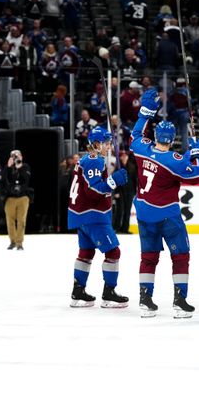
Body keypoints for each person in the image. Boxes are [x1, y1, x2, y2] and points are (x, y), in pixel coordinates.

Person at [131, 89, 199, 318]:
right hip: (167, 216)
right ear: (172, 139)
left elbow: (135, 134)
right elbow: (198, 175)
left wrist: (146, 114)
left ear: (155, 136)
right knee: (181, 255)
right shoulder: (174, 161)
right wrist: (198, 152)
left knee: (149, 257)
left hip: (143, 212)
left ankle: (145, 299)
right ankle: (179, 301)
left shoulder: (141, 148)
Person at [67, 126, 129, 308]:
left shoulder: (87, 160)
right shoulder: (94, 161)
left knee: (86, 252)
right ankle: (109, 293)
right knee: (113, 252)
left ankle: (78, 291)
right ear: (96, 144)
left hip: (82, 215)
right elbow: (94, 190)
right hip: (94, 215)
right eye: (106, 142)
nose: (109, 146)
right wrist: (113, 181)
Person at [4, 149, 32, 250]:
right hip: (10, 198)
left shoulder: (25, 167)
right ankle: (13, 241)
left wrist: (20, 168)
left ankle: (19, 243)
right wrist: (8, 167)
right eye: (14, 156)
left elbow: (27, 180)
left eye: (18, 156)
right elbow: (4, 180)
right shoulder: (8, 167)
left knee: (21, 221)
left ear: (21, 157)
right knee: (10, 221)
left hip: (23, 197)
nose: (16, 158)